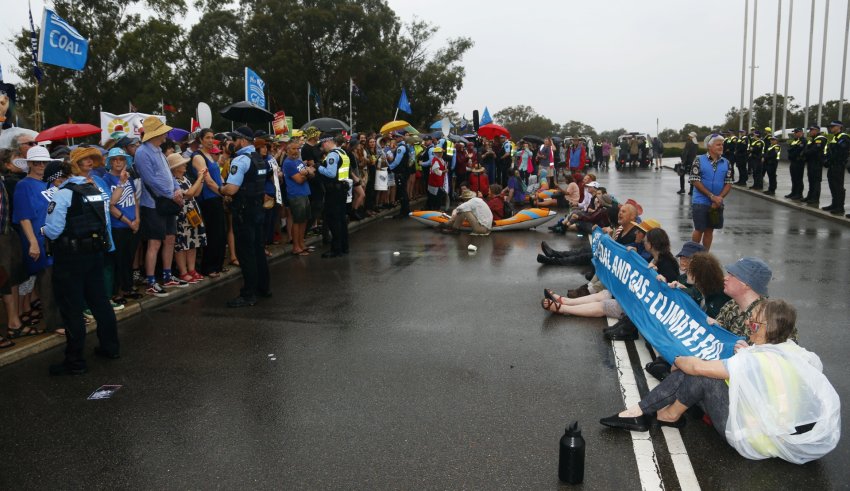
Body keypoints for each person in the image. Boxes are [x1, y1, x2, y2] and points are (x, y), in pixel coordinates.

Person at [600, 299, 839, 464]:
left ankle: (648, 413)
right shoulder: (796, 352)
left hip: (756, 438)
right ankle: (662, 414)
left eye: (753, 323)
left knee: (700, 375)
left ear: (770, 328)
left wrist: (679, 360)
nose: (748, 325)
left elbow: (697, 367)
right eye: (749, 319)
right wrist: (748, 352)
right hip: (778, 429)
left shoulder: (755, 360)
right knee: (701, 372)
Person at [42, 156, 120, 375]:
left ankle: (75, 361)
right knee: (100, 302)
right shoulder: (92, 189)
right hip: (94, 253)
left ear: (57, 179)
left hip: (70, 257)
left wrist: (43, 231)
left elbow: (54, 230)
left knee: (72, 308)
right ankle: (110, 347)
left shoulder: (63, 194)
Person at [541, 222, 673, 326]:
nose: (644, 241)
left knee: (604, 306)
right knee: (605, 294)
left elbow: (670, 294)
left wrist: (660, 278)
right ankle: (564, 301)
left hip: (640, 306)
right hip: (633, 295)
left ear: (652, 243)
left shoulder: (667, 264)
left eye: (647, 239)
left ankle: (562, 309)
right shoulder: (652, 257)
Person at [220, 126, 271, 307]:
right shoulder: (260, 158)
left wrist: (220, 188)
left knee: (246, 253)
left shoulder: (241, 160)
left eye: (234, 139)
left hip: (244, 212)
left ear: (242, 140)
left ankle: (248, 293)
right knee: (258, 250)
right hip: (258, 209)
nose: (232, 143)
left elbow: (232, 188)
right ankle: (263, 288)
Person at [135, 116, 185, 297]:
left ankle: (167, 275)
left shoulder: (157, 150)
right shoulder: (142, 152)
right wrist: (172, 193)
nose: (166, 134)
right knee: (154, 242)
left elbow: (168, 175)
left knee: (170, 238)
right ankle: (151, 281)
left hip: (167, 201)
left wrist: (177, 189)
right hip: (153, 204)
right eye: (163, 131)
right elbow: (150, 179)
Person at [102, 147, 141, 303]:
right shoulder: (106, 179)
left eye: (121, 159)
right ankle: (117, 292)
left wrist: (137, 219)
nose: (118, 162)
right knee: (119, 260)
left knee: (129, 258)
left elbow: (135, 199)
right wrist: (128, 221)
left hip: (133, 224)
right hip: (118, 226)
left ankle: (127, 287)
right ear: (110, 162)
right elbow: (110, 205)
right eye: (115, 159)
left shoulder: (128, 177)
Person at [713, 257, 781, 339]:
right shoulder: (732, 304)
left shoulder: (767, 318)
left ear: (747, 284)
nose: (725, 278)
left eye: (732, 275)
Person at [191, 129, 227, 278]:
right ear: (200, 139)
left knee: (221, 233)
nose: (211, 140)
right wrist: (223, 192)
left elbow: (217, 176)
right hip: (208, 199)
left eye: (212, 137)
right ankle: (208, 267)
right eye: (207, 138)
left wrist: (224, 189)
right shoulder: (198, 157)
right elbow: (208, 181)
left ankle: (217, 265)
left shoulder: (211, 156)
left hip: (217, 196)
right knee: (213, 233)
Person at [689, 134, 732, 251]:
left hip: (717, 202)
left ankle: (704, 256)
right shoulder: (699, 160)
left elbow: (728, 182)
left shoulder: (726, 162)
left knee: (709, 230)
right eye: (718, 144)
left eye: (722, 144)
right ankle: (692, 254)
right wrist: (711, 196)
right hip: (700, 201)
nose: (721, 147)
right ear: (709, 146)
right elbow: (695, 180)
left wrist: (719, 198)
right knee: (699, 228)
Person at [169, 153, 208, 283]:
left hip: (192, 213)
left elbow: (196, 193)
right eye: (182, 163)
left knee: (193, 242)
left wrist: (201, 179)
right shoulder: (172, 181)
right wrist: (200, 178)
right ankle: (183, 271)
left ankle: (191, 270)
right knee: (181, 245)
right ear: (175, 168)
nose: (185, 164)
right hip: (181, 215)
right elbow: (189, 194)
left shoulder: (185, 178)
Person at [317, 133, 351, 257]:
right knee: (341, 220)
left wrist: (318, 167)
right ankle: (344, 246)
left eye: (322, 145)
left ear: (326, 142)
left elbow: (331, 173)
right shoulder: (343, 153)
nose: (322, 148)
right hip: (342, 189)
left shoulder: (332, 154)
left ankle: (336, 249)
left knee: (333, 220)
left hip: (334, 192)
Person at [282, 140, 315, 255]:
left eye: (297, 149)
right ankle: (296, 247)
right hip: (296, 195)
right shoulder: (288, 163)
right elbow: (300, 180)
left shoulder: (298, 161)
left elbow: (312, 173)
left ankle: (302, 244)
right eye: (293, 149)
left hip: (304, 193)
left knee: (304, 220)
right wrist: (306, 172)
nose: (296, 151)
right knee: (298, 221)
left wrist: (306, 172)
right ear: (287, 150)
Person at [822, 121, 849, 216]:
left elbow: (840, 153)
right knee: (832, 185)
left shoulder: (843, 137)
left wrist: (830, 160)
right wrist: (827, 160)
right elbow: (831, 151)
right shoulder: (834, 137)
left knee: (838, 186)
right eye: (830, 126)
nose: (831, 128)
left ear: (839, 127)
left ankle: (840, 207)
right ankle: (834, 204)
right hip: (832, 165)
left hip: (838, 165)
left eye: (833, 126)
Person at [387, 132, 412, 218]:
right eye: (394, 137)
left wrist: (390, 167)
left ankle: (404, 212)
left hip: (401, 173)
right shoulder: (404, 146)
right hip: (404, 172)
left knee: (402, 192)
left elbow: (397, 161)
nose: (395, 138)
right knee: (403, 192)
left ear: (401, 138)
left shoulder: (401, 147)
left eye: (397, 137)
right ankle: (405, 210)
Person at [802, 125, 828, 207]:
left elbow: (813, 151)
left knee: (816, 181)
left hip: (817, 162)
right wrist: (807, 151)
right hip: (811, 162)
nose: (810, 132)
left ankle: (815, 198)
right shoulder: (813, 139)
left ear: (816, 131)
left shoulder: (820, 139)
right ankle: (810, 196)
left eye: (811, 130)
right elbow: (807, 149)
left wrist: (806, 151)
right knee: (811, 180)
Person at [784, 128, 807, 200]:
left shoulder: (803, 141)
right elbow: (790, 149)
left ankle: (799, 194)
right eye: (794, 132)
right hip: (793, 161)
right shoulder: (795, 141)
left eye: (796, 132)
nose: (795, 134)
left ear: (801, 132)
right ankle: (793, 192)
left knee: (798, 179)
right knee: (793, 178)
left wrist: (793, 151)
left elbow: (798, 150)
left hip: (799, 162)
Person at [426, 146, 447, 210]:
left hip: (439, 181)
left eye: (442, 152)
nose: (441, 154)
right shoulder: (435, 160)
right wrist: (444, 171)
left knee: (438, 196)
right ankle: (434, 208)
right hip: (435, 181)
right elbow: (437, 172)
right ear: (436, 153)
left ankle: (436, 208)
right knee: (435, 196)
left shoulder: (441, 160)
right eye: (440, 152)